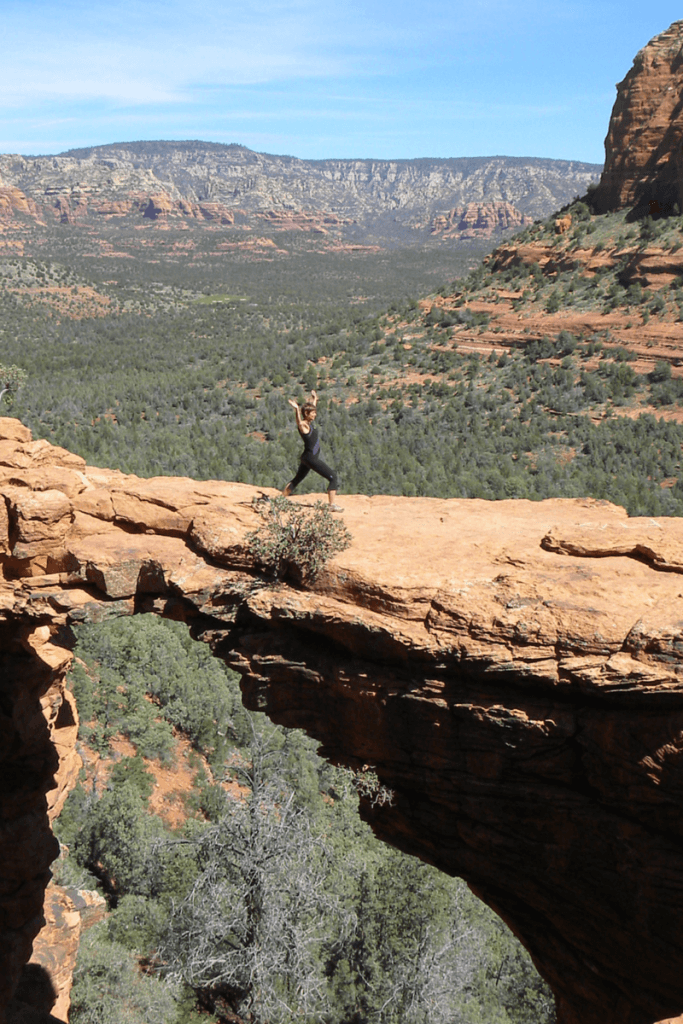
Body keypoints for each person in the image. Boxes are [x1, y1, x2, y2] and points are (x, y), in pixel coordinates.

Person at [283, 390, 342, 510]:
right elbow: (299, 422)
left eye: (315, 412)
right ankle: (332, 505)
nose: (315, 415)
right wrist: (296, 410)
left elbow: (311, 408)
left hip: (307, 458)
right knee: (333, 477)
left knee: (296, 480)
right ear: (306, 413)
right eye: (313, 413)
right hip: (311, 458)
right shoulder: (304, 425)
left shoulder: (310, 422)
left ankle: (279, 499)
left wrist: (315, 398)